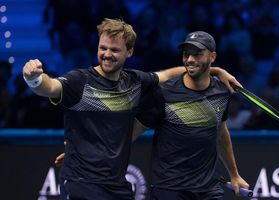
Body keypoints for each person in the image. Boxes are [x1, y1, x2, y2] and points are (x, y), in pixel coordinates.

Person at [23, 18, 239, 200]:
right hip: (82, 182)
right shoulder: (78, 81)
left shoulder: (135, 81)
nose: (107, 54)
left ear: (129, 52)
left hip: (117, 186)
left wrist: (215, 71)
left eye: (114, 50)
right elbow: (50, 87)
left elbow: (165, 75)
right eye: (103, 48)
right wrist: (33, 79)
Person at [134, 31, 249, 200]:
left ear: (212, 56)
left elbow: (221, 132)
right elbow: (134, 130)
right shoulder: (163, 93)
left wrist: (234, 174)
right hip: (169, 189)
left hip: (209, 189)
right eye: (186, 54)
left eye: (197, 54)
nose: (190, 59)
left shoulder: (221, 92)